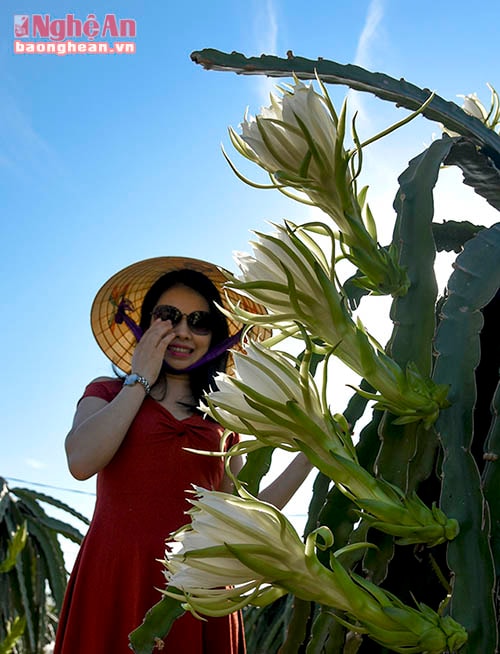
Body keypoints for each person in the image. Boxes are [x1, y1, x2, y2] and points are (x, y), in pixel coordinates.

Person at [54, 256, 313, 654]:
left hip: (198, 586)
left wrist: (313, 451)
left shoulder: (225, 417)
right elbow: (81, 461)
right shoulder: (107, 391)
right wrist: (139, 378)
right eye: (168, 316)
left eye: (200, 321)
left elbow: (243, 517)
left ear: (217, 334)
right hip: (114, 575)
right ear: (145, 321)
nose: (182, 332)